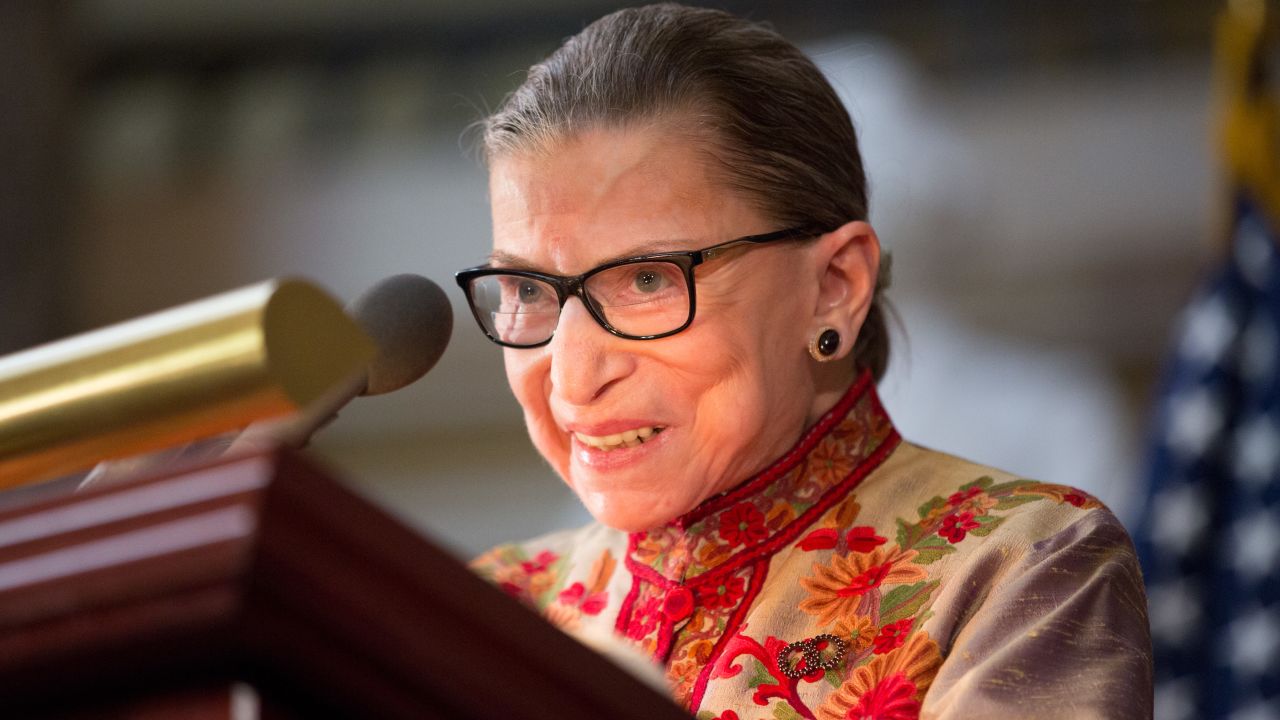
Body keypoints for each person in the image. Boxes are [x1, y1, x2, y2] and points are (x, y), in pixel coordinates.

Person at [459, 5, 1153, 717]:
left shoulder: (1017, 568)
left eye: (648, 280)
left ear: (834, 288)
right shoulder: (490, 610)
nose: (572, 376)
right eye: (525, 289)